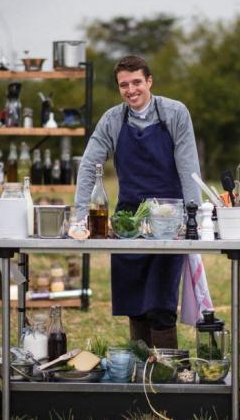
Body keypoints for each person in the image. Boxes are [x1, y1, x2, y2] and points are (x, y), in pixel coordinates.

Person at [74, 55, 202, 348]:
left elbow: (188, 166)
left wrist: (192, 217)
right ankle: (141, 371)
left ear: (149, 81)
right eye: (123, 85)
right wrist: (80, 215)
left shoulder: (175, 113)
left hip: (169, 218)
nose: (130, 90)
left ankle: (165, 374)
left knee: (161, 302)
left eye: (136, 82)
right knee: (134, 301)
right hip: (127, 220)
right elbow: (89, 164)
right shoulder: (112, 120)